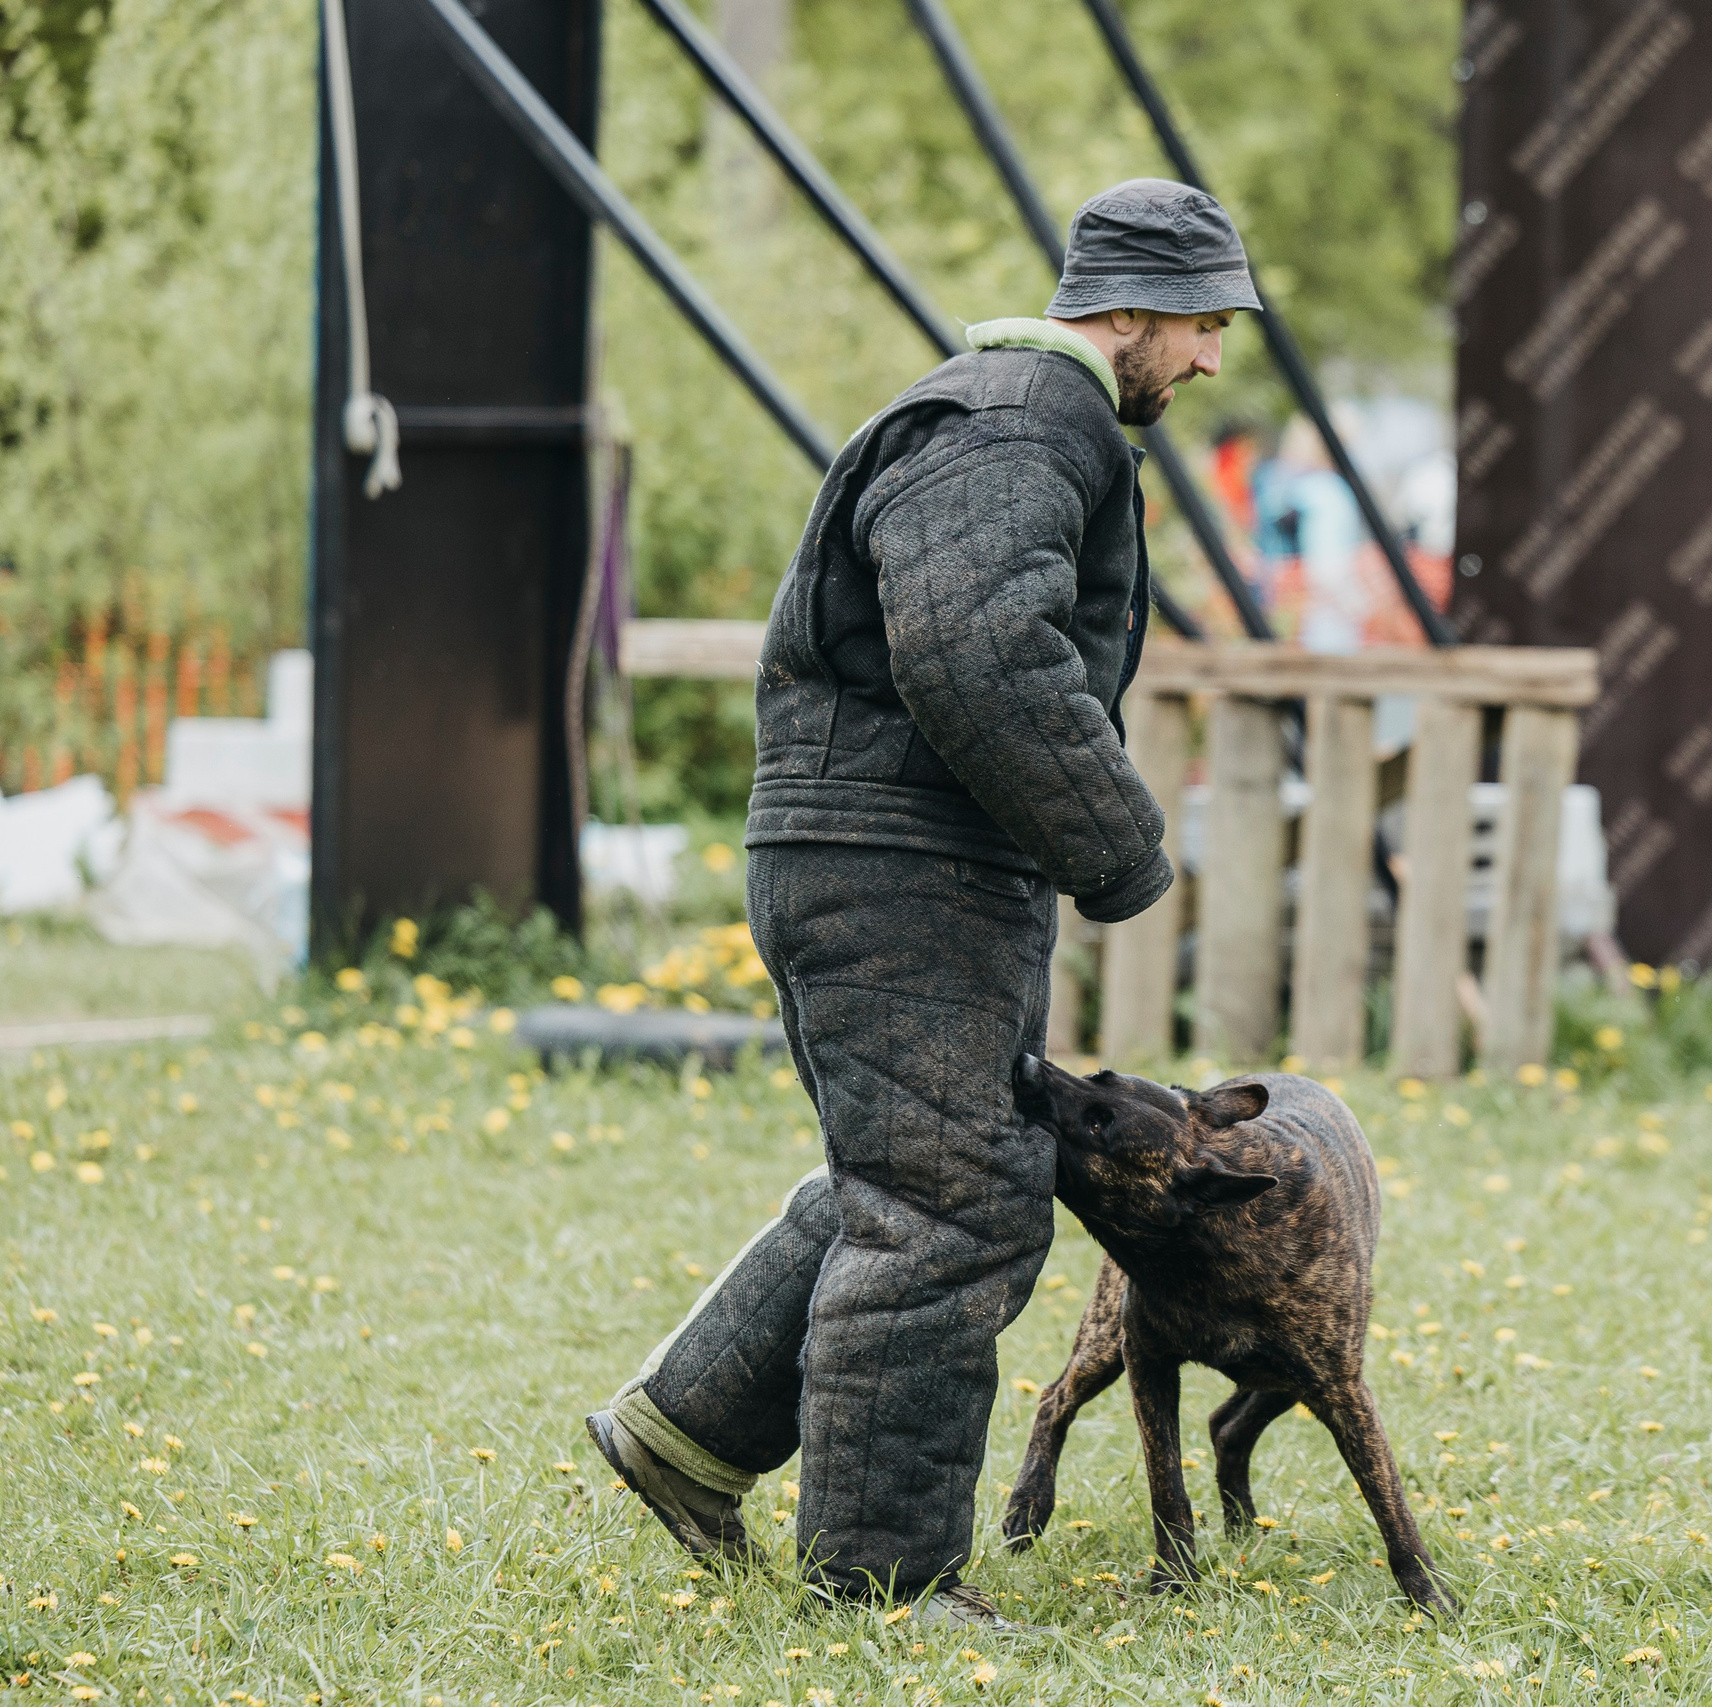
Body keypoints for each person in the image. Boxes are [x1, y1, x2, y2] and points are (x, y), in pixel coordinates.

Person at [583, 179, 1258, 1632]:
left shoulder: (1021, 416)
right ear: (1131, 306)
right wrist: (1120, 843)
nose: (1211, 359)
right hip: (898, 864)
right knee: (951, 1203)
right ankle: (884, 1583)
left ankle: (687, 1430)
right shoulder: (1026, 418)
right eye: (1202, 324)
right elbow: (973, 642)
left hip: (905, 856)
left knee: (921, 1171)